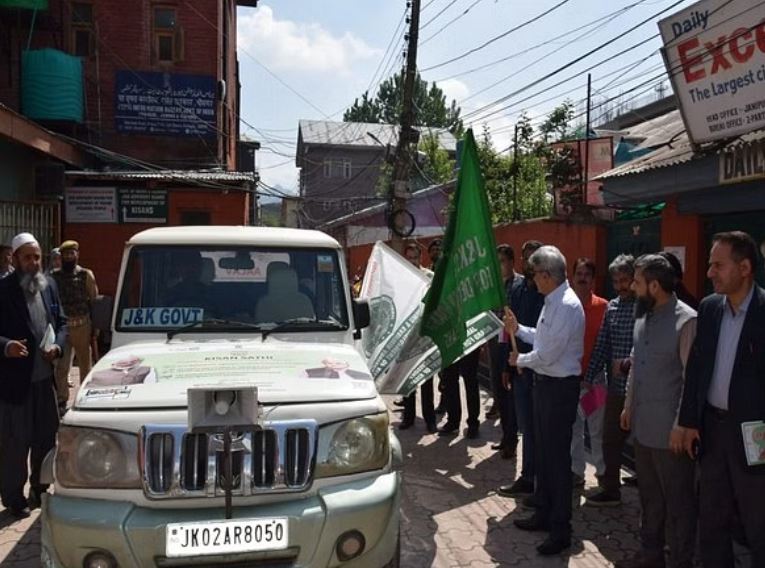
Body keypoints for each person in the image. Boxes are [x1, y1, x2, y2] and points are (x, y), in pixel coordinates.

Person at [679, 231, 765, 567]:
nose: (709, 272)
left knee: (758, 522)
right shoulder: (710, 308)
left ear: (744, 268)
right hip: (713, 432)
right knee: (711, 519)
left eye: (718, 265)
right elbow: (697, 371)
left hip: (755, 436)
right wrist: (688, 421)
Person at [504, 245, 585, 556]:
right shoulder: (551, 300)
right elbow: (541, 338)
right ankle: (544, 513)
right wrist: (517, 329)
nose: (532, 280)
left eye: (535, 274)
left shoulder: (565, 305)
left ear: (548, 275)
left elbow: (548, 355)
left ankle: (560, 528)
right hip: (545, 385)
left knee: (557, 460)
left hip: (559, 389)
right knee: (543, 455)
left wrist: (520, 360)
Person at [618, 255, 697, 568]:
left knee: (678, 505)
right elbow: (636, 367)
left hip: (672, 435)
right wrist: (627, 405)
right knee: (650, 499)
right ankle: (651, 555)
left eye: (637, 282)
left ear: (654, 285)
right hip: (643, 427)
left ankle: (680, 560)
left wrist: (682, 425)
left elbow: (691, 381)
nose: (632, 288)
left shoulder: (686, 321)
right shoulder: (643, 316)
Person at [0, 232, 67, 518]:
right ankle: (13, 497)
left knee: (45, 438)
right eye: (27, 257)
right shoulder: (3, 290)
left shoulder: (48, 285)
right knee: (16, 443)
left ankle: (38, 490)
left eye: (37, 257)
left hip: (44, 382)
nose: (33, 262)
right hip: (16, 383)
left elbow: (62, 323)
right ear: (15, 259)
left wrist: (57, 346)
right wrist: (6, 346)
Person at [583, 254, 637, 507]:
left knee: (646, 444)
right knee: (609, 437)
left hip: (642, 390)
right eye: (616, 281)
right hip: (614, 388)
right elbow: (602, 345)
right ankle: (610, 487)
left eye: (624, 280)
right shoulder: (612, 307)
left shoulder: (646, 307)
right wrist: (589, 376)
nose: (620, 286)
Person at [497, 240, 545, 497]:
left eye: (533, 258)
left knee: (539, 428)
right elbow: (510, 331)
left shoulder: (546, 292)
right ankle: (527, 477)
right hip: (518, 369)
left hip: (540, 369)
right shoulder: (517, 290)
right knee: (525, 425)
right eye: (526, 258)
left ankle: (539, 478)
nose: (529, 263)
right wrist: (507, 363)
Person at [570, 258, 608, 488]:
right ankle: (576, 473)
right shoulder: (567, 306)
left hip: (595, 382)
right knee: (574, 429)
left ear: (593, 280)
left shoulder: (604, 307)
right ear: (572, 278)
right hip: (571, 380)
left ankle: (603, 475)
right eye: (579, 274)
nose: (582, 278)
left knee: (597, 431)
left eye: (587, 274)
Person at [51, 240, 98, 412]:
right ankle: (62, 400)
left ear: (77, 255)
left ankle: (85, 397)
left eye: (72, 253)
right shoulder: (54, 277)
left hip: (82, 326)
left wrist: (96, 327)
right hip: (63, 328)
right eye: (66, 254)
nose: (69, 257)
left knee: (85, 364)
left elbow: (94, 300)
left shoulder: (86, 275)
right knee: (62, 366)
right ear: (61, 256)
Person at [487, 244, 521, 458]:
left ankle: (512, 440)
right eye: (496, 262)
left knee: (509, 392)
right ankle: (505, 436)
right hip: (495, 341)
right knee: (498, 390)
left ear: (511, 262)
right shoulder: (494, 286)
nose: (499, 266)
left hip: (511, 342)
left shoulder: (517, 285)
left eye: (502, 261)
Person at [399, 243, 437, 433]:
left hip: (426, 336)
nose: (412, 261)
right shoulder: (401, 279)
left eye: (415, 257)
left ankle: (430, 419)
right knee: (408, 379)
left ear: (421, 258)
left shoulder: (430, 277)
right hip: (407, 337)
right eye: (409, 257)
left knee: (427, 379)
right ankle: (408, 416)